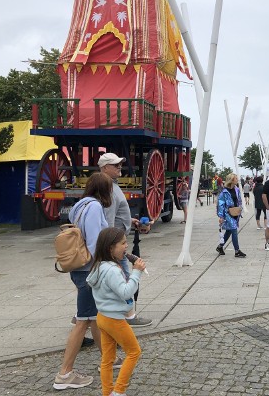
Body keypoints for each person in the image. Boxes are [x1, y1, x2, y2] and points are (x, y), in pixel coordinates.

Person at [53, 173, 112, 390]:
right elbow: (95, 241)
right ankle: (65, 373)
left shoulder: (80, 205)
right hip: (89, 269)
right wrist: (104, 267)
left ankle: (107, 359)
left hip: (79, 268)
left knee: (93, 317)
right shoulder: (95, 207)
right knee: (83, 321)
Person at [87, 228, 145, 396]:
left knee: (108, 359)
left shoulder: (99, 266)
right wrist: (136, 272)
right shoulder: (112, 270)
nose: (126, 246)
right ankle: (119, 391)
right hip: (114, 320)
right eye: (123, 243)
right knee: (134, 352)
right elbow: (126, 292)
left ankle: (107, 392)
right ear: (110, 247)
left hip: (102, 317)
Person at [98, 152, 151, 327]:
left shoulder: (113, 185)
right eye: (115, 165)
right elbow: (109, 219)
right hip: (115, 244)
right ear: (105, 168)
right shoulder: (109, 188)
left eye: (120, 164)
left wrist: (129, 221)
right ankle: (129, 316)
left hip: (117, 241)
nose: (120, 167)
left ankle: (84, 314)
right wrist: (113, 246)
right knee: (126, 278)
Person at [216, 173, 246, 258]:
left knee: (229, 231)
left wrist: (240, 209)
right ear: (232, 180)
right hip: (228, 213)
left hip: (235, 213)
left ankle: (220, 247)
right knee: (234, 230)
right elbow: (220, 205)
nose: (237, 180)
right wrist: (221, 216)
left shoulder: (236, 189)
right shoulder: (224, 192)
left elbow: (239, 200)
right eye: (236, 179)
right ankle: (237, 251)